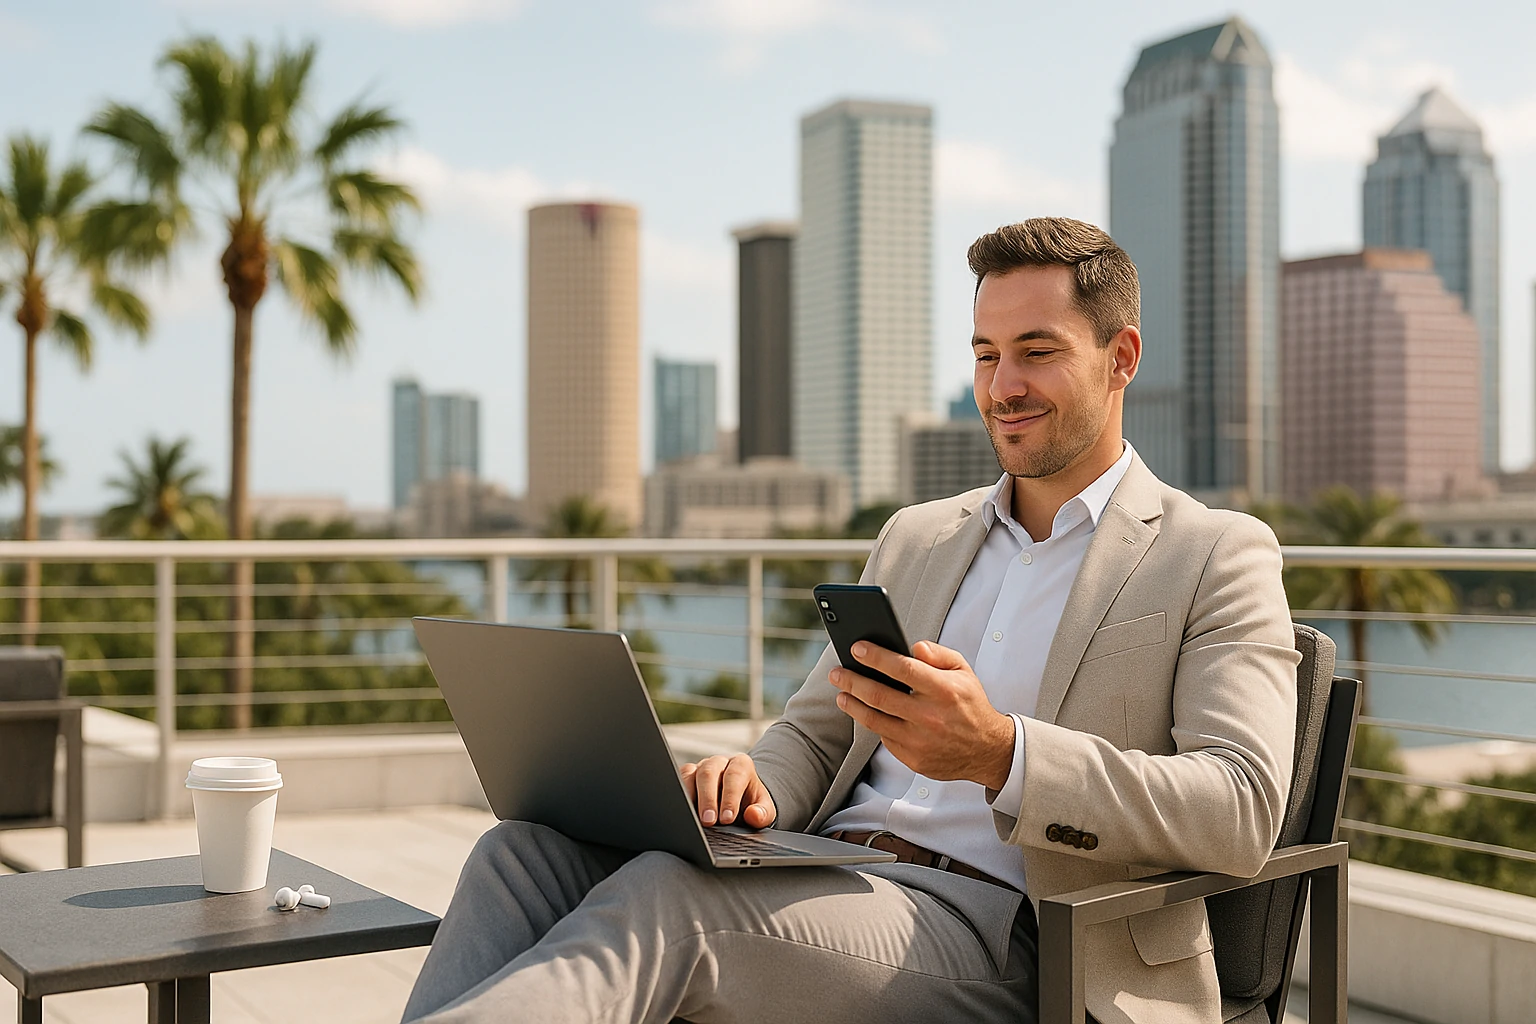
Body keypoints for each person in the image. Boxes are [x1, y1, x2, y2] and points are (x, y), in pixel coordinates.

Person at [401, 217, 1299, 1024]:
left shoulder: (1214, 553)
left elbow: (1242, 806)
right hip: (825, 870)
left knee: (673, 905)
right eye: (986, 355)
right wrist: (750, 784)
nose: (1004, 385)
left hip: (1012, 933)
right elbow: (816, 733)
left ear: (1121, 356)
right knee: (521, 855)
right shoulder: (918, 537)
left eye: (1037, 351)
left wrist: (1002, 755)